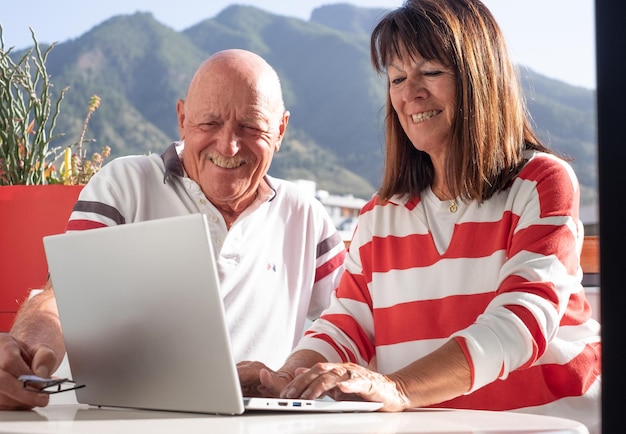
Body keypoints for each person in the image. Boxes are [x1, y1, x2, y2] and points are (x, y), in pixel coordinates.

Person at [258, 1, 601, 432]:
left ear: (479, 77)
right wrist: (289, 380)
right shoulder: (379, 217)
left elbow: (520, 323)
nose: (409, 92)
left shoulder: (541, 183)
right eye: (397, 78)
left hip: (552, 423)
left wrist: (396, 388)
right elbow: (345, 325)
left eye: (431, 72)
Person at [0, 49, 346, 410]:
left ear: (280, 130)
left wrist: (286, 377)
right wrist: (25, 354)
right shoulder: (125, 184)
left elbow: (349, 325)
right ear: (182, 119)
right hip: (120, 423)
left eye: (251, 126)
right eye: (209, 123)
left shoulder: (307, 216)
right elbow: (62, 298)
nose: (228, 146)